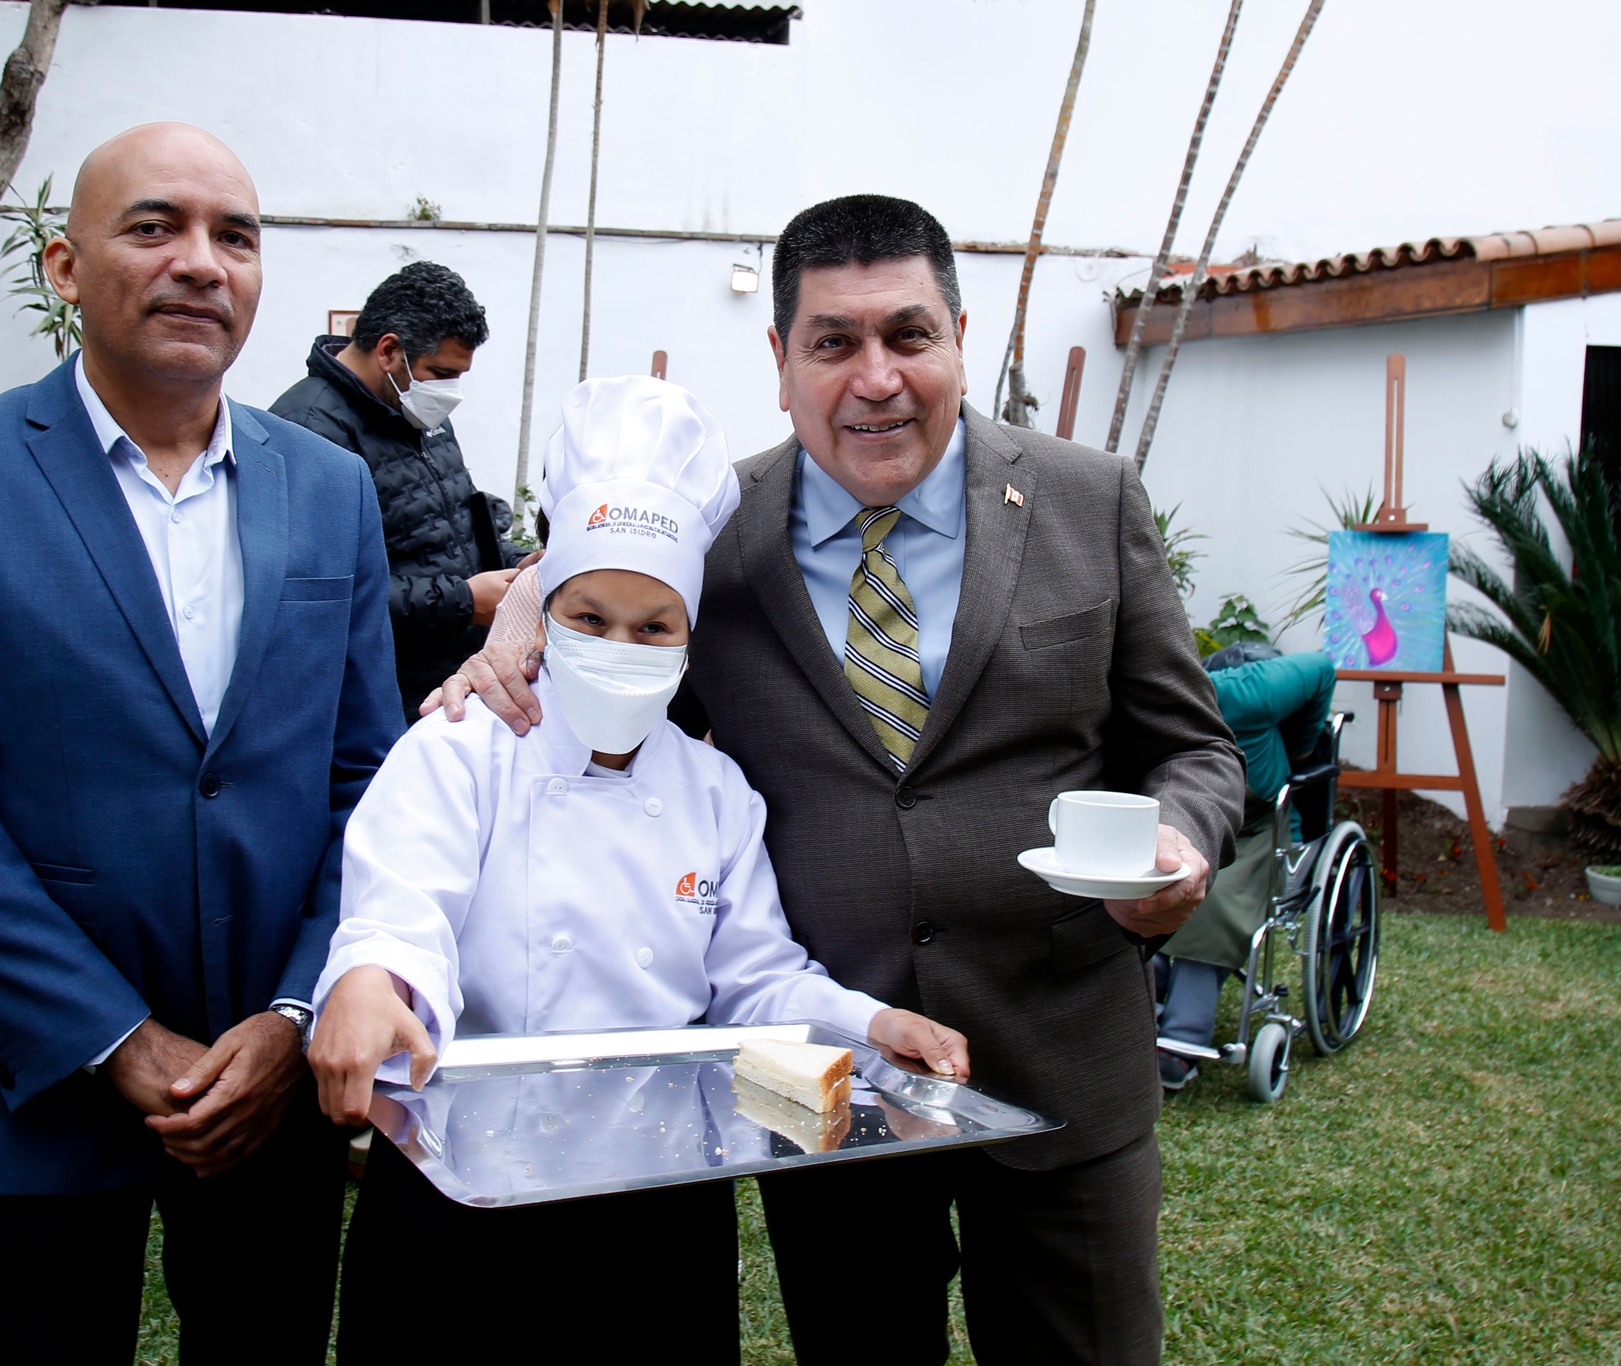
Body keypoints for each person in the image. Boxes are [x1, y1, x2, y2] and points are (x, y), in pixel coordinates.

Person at [435, 194, 1246, 1365]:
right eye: (833, 342)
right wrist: (518, 618)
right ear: (778, 361)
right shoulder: (715, 541)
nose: (876, 378)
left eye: (908, 336)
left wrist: (1177, 837)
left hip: (1066, 1063)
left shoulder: (1087, 500)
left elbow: (1193, 744)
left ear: (960, 337)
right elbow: (597, 607)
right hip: (823, 1085)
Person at [0, 123, 402, 1365]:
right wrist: (114, 1039)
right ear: (63, 266)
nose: (201, 262)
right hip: (37, 1076)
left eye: (235, 236)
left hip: (274, 1092)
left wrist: (292, 1012)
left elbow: (368, 781)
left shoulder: (327, 488)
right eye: (155, 227)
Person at [308, 375, 970, 1362]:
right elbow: (404, 901)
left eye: (652, 625)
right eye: (589, 617)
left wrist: (868, 1023)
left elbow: (753, 980)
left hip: (654, 1197)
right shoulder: (464, 747)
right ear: (545, 617)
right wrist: (370, 978)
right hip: (463, 1186)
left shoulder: (713, 791)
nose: (621, 645)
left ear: (687, 639)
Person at [270, 260, 526, 716]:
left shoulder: (420, 412)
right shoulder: (309, 430)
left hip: (450, 681)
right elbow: (324, 595)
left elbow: (451, 523)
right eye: (440, 372)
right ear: (389, 351)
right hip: (380, 699)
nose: (449, 391)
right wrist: (464, 602)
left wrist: (515, 565)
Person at [1156, 644, 1337, 1090]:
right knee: (1151, 886)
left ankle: (1182, 1038)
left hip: (1260, 828)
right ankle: (1144, 1004)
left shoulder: (1247, 691)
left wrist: (1300, 747)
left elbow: (1322, 666)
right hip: (1187, 810)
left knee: (1214, 904)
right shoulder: (1166, 694)